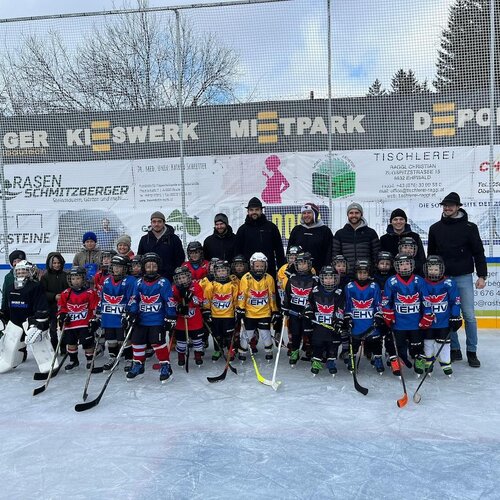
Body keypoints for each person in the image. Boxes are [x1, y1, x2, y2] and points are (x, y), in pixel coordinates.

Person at [427, 192, 487, 368]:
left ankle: (472, 351)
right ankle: (454, 349)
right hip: (442, 279)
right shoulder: (435, 228)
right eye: (445, 205)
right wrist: (431, 278)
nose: (447, 208)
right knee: (447, 315)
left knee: (468, 315)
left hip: (463, 278)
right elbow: (432, 255)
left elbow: (478, 253)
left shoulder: (470, 227)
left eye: (451, 205)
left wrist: (482, 276)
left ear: (458, 207)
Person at [125, 253, 176, 382]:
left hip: (157, 320)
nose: (151, 268)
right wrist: (132, 313)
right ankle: (138, 365)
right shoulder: (138, 282)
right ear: (144, 267)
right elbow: (133, 299)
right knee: (137, 342)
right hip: (141, 320)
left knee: (157, 343)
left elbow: (169, 301)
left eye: (154, 266)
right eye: (148, 266)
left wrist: (171, 316)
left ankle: (165, 366)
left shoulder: (163, 282)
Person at [382, 253, 434, 376]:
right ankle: (395, 360)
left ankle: (419, 359)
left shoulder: (419, 280)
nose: (404, 267)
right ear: (397, 267)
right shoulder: (392, 281)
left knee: (417, 344)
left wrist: (427, 315)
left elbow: (426, 299)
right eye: (401, 264)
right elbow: (386, 301)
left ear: (412, 265)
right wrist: (387, 313)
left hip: (415, 322)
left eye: (407, 264)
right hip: (399, 323)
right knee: (396, 345)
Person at [422, 255, 462, 376]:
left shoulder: (449, 283)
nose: (433, 271)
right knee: (428, 341)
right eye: (431, 269)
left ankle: (445, 362)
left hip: (443, 320)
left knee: (444, 342)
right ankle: (428, 361)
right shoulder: (422, 283)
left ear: (441, 269)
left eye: (436, 269)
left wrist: (455, 316)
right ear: (426, 269)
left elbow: (455, 301)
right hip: (427, 320)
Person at [236, 252, 280, 362]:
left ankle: (269, 351)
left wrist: (274, 310)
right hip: (250, 312)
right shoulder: (246, 278)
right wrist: (241, 308)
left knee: (265, 332)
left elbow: (272, 295)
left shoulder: (269, 278)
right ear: (252, 265)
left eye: (261, 266)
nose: (259, 268)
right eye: (257, 266)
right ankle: (242, 351)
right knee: (248, 333)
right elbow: (243, 295)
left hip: (264, 312)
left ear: (265, 265)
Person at [95, 255, 136, 372]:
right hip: (109, 316)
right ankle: (113, 357)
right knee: (110, 338)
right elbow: (102, 297)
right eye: (114, 266)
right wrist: (98, 311)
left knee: (124, 339)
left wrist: (128, 312)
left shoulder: (130, 281)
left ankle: (129, 358)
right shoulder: (107, 280)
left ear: (125, 268)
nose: (116, 269)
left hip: (121, 315)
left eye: (119, 267)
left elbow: (132, 298)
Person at [343, 259, 384, 374]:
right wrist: (348, 317)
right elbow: (347, 304)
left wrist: (378, 316)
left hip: (370, 321)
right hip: (356, 322)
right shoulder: (349, 286)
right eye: (360, 272)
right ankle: (352, 358)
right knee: (354, 343)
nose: (362, 275)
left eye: (365, 273)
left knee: (376, 342)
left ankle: (378, 359)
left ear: (369, 273)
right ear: (355, 273)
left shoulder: (374, 286)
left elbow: (378, 303)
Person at [304, 266, 344, 376]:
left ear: (336, 278)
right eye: (326, 278)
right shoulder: (316, 290)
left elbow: (340, 308)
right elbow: (309, 303)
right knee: (317, 342)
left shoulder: (339, 292)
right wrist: (309, 312)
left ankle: (331, 361)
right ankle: (317, 361)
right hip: (319, 324)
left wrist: (339, 321)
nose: (329, 280)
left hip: (332, 324)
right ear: (321, 278)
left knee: (333, 343)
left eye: (331, 278)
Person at [57, 266, 99, 371]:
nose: (75, 281)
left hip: (85, 324)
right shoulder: (66, 293)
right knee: (71, 343)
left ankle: (90, 361)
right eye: (73, 278)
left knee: (87, 343)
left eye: (78, 278)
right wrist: (62, 315)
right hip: (70, 325)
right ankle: (73, 360)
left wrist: (94, 319)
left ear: (83, 278)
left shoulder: (90, 293)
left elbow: (95, 307)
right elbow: (61, 307)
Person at [234, 197, 286, 278]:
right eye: (251, 210)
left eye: (257, 209)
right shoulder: (242, 229)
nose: (254, 212)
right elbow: (237, 252)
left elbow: (279, 251)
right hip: (248, 272)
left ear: (261, 211)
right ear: (248, 211)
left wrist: (281, 269)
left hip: (269, 271)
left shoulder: (271, 227)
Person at [282, 252, 317, 365]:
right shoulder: (292, 278)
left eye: (304, 264)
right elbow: (287, 294)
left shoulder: (315, 279)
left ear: (309, 264)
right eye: (299, 264)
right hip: (294, 311)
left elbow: (316, 297)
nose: (302, 266)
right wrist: (286, 308)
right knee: (295, 333)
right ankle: (294, 351)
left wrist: (311, 309)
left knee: (309, 333)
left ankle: (312, 351)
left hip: (308, 313)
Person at [202, 260, 238, 361]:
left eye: (224, 270)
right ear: (215, 272)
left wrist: (238, 310)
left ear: (228, 271)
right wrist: (206, 310)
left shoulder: (232, 285)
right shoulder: (212, 285)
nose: (221, 272)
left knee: (229, 335)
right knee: (216, 335)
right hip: (215, 315)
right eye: (219, 271)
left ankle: (230, 350)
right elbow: (207, 298)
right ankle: (217, 350)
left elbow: (236, 299)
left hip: (228, 315)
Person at [332, 202, 380, 277]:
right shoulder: (340, 234)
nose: (354, 215)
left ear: (361, 214)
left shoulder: (371, 233)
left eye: (357, 213)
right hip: (346, 276)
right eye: (351, 213)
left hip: (365, 275)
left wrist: (373, 271)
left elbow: (376, 255)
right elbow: (335, 255)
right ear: (347, 215)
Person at [171, 265, 205, 367]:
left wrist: (190, 297)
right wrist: (178, 307)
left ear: (189, 277)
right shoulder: (174, 289)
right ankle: (181, 356)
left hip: (195, 321)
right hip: (181, 322)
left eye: (183, 277)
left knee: (197, 341)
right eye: (179, 278)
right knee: (181, 341)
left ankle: (198, 356)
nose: (181, 280)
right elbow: (171, 302)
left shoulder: (196, 286)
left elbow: (200, 301)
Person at [137, 211, 185, 282]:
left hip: (169, 278)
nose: (156, 224)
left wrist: (174, 273)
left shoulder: (174, 239)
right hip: (149, 278)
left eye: (159, 221)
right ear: (151, 223)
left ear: (164, 223)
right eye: (154, 221)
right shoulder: (144, 239)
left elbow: (180, 258)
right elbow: (140, 257)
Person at [287, 203, 333, 273]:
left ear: (315, 214)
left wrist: (325, 269)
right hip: (298, 271)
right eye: (304, 213)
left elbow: (329, 252)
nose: (306, 215)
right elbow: (290, 250)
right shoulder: (297, 230)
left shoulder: (325, 230)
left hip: (318, 270)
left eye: (309, 213)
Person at [380, 209, 426, 275]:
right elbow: (382, 259)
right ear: (391, 222)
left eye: (401, 219)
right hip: (391, 274)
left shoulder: (415, 236)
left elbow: (421, 257)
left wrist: (418, 270)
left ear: (405, 221)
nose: (398, 222)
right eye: (395, 219)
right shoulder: (384, 239)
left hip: (413, 274)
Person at [40, 252, 68, 351]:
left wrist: (64, 296)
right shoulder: (45, 277)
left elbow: (70, 289)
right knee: (52, 328)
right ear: (50, 263)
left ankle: (63, 347)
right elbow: (42, 292)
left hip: (64, 306)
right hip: (51, 306)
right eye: (54, 263)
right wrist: (53, 296)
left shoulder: (66, 275)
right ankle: (54, 346)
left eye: (58, 263)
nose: (56, 265)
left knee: (64, 326)